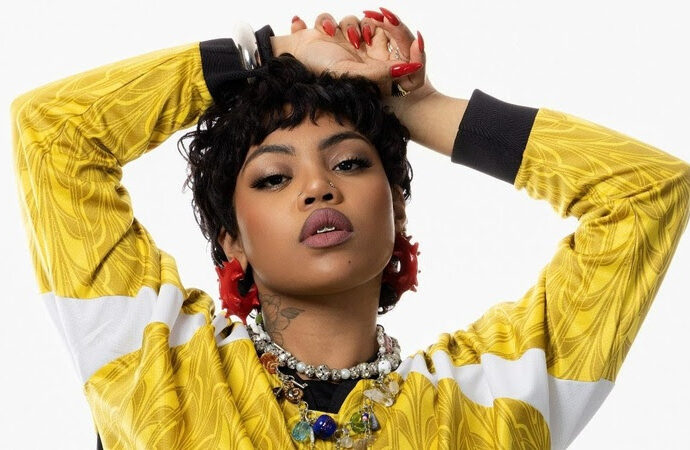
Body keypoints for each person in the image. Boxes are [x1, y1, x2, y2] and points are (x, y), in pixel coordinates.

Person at [10, 8, 690, 450]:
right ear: (231, 240)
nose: (318, 187)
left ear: (396, 206)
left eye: (350, 163)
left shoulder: (491, 401)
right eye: (273, 178)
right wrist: (268, 53)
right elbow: (53, 135)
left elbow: (643, 193)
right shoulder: (158, 363)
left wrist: (414, 106)